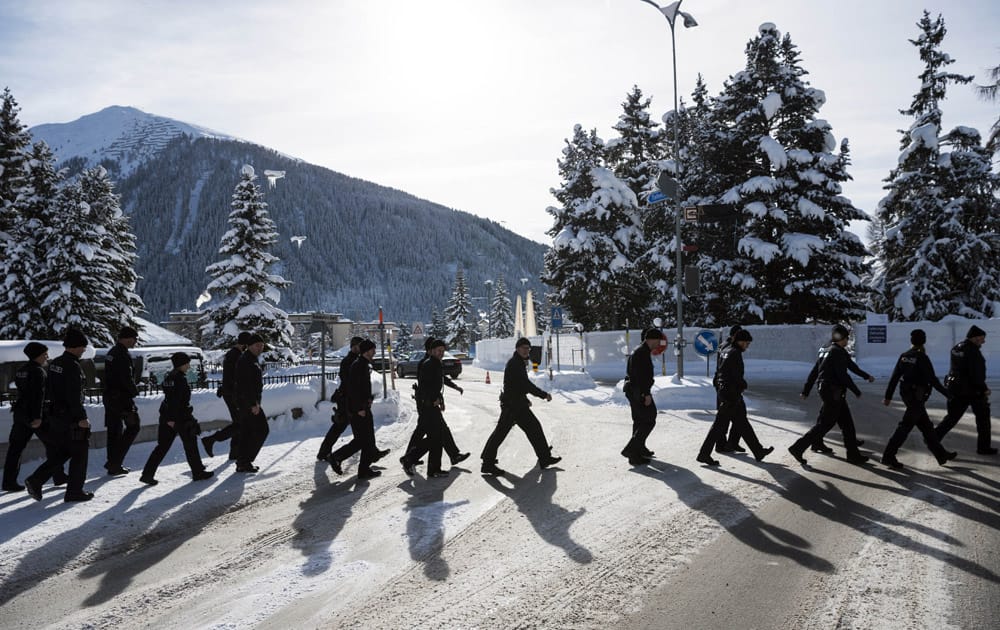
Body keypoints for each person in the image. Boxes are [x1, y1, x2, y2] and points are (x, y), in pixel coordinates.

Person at [24, 329, 94, 502]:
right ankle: (74, 491)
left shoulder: (56, 363)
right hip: (70, 417)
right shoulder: (72, 366)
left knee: (63, 452)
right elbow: (73, 394)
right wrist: (81, 418)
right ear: (76, 347)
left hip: (56, 416)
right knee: (80, 452)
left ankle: (36, 480)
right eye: (83, 347)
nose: (84, 350)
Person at [789, 325, 872, 466]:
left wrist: (806, 389)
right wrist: (855, 390)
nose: (847, 341)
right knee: (826, 423)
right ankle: (798, 447)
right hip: (834, 391)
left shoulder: (826, 349)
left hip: (827, 390)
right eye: (847, 338)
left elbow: (816, 370)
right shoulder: (837, 352)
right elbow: (843, 375)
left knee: (846, 424)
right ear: (843, 338)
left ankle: (850, 453)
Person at [480, 337, 561, 476]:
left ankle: (544, 457)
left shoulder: (518, 362)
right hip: (512, 407)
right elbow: (525, 385)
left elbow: (517, 385)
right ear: (517, 349)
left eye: (528, 348)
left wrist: (524, 399)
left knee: (534, 428)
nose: (526, 350)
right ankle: (487, 463)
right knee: (501, 433)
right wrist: (543, 394)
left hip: (517, 405)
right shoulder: (515, 364)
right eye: (524, 348)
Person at [880, 329, 957, 469]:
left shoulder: (904, 356)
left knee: (927, 427)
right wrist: (948, 395)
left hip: (908, 396)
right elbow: (932, 379)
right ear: (924, 341)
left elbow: (895, 377)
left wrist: (888, 396)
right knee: (905, 426)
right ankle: (888, 456)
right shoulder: (922, 357)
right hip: (917, 397)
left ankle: (941, 455)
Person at [697, 329, 774, 466]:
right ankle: (704, 454)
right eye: (746, 343)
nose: (747, 346)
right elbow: (735, 376)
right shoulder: (735, 353)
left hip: (725, 392)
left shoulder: (726, 350)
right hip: (730, 395)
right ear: (740, 341)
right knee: (720, 426)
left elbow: (720, 371)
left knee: (741, 424)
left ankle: (758, 451)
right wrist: (742, 385)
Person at [400, 338, 469, 478]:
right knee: (433, 437)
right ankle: (411, 459)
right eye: (439, 351)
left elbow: (438, 384)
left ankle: (432, 467)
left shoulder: (436, 364)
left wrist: (440, 399)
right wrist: (432, 400)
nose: (441, 353)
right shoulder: (428, 365)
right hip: (427, 407)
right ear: (431, 351)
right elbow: (424, 387)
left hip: (431, 406)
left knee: (436, 437)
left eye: (443, 351)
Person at [139, 352, 213, 485]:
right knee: (190, 444)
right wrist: (172, 419)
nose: (189, 366)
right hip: (179, 417)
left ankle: (147, 474)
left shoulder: (170, 377)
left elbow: (170, 399)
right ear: (181, 364)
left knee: (162, 447)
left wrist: (168, 418)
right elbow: (175, 400)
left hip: (169, 416)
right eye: (187, 363)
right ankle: (198, 472)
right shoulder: (179, 379)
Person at [2, 343, 68, 491]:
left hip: (20, 414)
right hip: (35, 416)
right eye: (45, 354)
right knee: (55, 445)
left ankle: (8, 482)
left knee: (15, 449)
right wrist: (37, 417)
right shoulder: (38, 371)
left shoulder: (21, 371)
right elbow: (38, 396)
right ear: (38, 355)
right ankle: (58, 476)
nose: (47, 357)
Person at [935, 325, 995, 455]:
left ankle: (933, 439)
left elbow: (956, 369)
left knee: (951, 418)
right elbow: (976, 374)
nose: (983, 342)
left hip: (955, 388)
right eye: (981, 339)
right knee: (983, 419)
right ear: (974, 338)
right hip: (972, 391)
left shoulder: (956, 348)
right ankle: (983, 447)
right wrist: (984, 389)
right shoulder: (973, 352)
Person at [329, 339, 383, 479]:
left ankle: (363, 469)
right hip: (359, 410)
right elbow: (352, 390)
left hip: (363, 407)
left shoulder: (363, 365)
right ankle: (337, 457)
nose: (374, 352)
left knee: (367, 440)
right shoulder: (358, 366)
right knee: (363, 440)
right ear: (366, 351)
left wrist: (368, 398)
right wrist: (359, 408)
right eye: (372, 350)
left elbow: (362, 388)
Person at [202, 331, 252, 459]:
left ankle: (234, 453)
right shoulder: (235, 355)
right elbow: (234, 377)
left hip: (230, 393)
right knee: (240, 423)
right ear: (245, 344)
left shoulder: (234, 354)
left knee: (238, 423)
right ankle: (211, 439)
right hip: (232, 395)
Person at [316, 336, 363, 461]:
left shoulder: (355, 360)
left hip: (348, 399)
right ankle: (325, 453)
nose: (361, 348)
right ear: (354, 347)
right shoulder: (349, 361)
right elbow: (348, 382)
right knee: (340, 426)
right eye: (359, 346)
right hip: (346, 399)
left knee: (351, 427)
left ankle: (370, 450)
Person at [620, 329, 663, 466]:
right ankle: (631, 450)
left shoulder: (640, 351)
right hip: (638, 391)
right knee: (649, 419)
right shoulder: (642, 353)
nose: (659, 343)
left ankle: (637, 452)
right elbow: (640, 376)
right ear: (652, 339)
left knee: (639, 421)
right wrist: (646, 394)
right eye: (658, 340)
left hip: (634, 390)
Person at [103, 326, 141, 475]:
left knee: (114, 431)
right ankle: (114, 462)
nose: (135, 343)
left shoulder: (111, 352)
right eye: (133, 339)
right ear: (126, 339)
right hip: (121, 399)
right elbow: (126, 378)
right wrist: (133, 392)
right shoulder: (121, 354)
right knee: (134, 427)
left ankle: (114, 464)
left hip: (110, 397)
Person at [234, 334, 268, 473]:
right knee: (262, 430)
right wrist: (253, 404)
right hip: (248, 403)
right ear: (249, 346)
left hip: (247, 403)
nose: (260, 348)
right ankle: (245, 460)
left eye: (261, 345)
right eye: (257, 345)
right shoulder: (246, 361)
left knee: (247, 432)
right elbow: (245, 385)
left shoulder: (251, 359)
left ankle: (243, 462)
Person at [714, 325, 746, 453]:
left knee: (725, 416)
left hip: (721, 385)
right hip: (728, 387)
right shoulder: (730, 348)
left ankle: (725, 443)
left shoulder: (723, 346)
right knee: (730, 416)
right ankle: (728, 443)